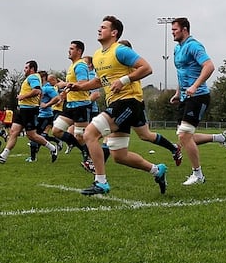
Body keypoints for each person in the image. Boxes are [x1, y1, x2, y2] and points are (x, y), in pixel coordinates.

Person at [67, 16, 167, 196]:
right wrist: (79, 86)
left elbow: (146, 68)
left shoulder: (120, 50)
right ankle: (157, 170)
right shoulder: (98, 55)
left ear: (114, 33)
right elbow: (99, 81)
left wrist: (124, 80)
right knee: (119, 156)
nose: (99, 29)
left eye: (104, 27)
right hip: (116, 103)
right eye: (99, 27)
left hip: (128, 101)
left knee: (89, 133)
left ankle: (101, 182)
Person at [169, 17, 226, 186]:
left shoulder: (194, 46)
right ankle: (221, 138)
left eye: (175, 29)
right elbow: (182, 72)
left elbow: (209, 66)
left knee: (184, 135)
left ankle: (198, 175)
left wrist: (195, 86)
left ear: (184, 29)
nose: (172, 32)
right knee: (184, 138)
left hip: (198, 96)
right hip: (185, 97)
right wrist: (178, 92)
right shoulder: (177, 49)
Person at [116, 39, 183, 167]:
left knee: (106, 129)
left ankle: (92, 163)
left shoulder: (130, 65)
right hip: (127, 103)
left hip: (130, 103)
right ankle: (173, 148)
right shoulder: (120, 66)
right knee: (145, 135)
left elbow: (145, 69)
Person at [0, 61, 60, 164]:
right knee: (13, 132)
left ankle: (52, 148)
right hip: (23, 109)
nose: (24, 69)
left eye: (26, 67)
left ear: (32, 69)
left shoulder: (33, 77)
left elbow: (37, 91)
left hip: (29, 110)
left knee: (32, 135)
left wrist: (23, 96)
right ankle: (3, 156)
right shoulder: (32, 78)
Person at [51, 41, 97, 171]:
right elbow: (73, 85)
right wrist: (64, 93)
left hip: (81, 105)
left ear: (79, 51)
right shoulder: (73, 65)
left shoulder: (80, 65)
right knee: (56, 131)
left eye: (72, 48)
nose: (69, 51)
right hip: (70, 105)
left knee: (80, 136)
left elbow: (83, 84)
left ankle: (91, 160)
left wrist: (64, 84)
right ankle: (85, 152)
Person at [28, 71, 63, 162]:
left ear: (43, 78)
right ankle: (35, 155)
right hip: (38, 114)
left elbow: (57, 98)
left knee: (35, 136)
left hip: (45, 116)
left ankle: (34, 157)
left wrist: (47, 105)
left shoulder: (48, 88)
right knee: (35, 136)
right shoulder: (40, 88)